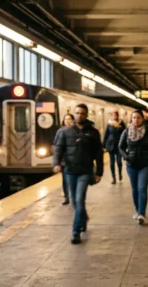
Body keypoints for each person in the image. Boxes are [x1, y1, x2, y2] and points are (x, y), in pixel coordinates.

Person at [53, 104, 103, 244]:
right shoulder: (66, 132)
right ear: (74, 114)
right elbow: (59, 148)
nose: (79, 115)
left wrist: (99, 172)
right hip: (69, 171)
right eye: (77, 113)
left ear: (86, 115)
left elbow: (98, 153)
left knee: (79, 199)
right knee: (75, 202)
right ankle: (83, 218)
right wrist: (56, 163)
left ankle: (76, 232)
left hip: (85, 171)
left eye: (82, 113)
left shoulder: (93, 132)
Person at [118, 110, 148, 225]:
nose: (136, 120)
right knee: (134, 189)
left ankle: (142, 213)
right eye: (134, 117)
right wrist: (126, 157)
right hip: (131, 165)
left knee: (142, 188)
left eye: (138, 117)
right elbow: (120, 147)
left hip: (145, 164)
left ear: (143, 119)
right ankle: (138, 210)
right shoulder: (126, 131)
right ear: (131, 119)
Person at [54, 114, 74, 205]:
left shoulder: (76, 131)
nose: (67, 121)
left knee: (73, 179)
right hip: (64, 160)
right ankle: (67, 197)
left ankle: (73, 196)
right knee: (65, 180)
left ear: (72, 120)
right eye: (66, 119)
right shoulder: (60, 131)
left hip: (74, 159)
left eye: (69, 119)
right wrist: (57, 162)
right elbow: (56, 145)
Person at [103, 110, 126, 184]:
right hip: (110, 145)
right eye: (112, 115)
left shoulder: (121, 123)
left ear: (117, 116)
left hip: (119, 145)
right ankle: (113, 178)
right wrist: (103, 145)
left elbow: (125, 132)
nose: (114, 117)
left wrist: (119, 127)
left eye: (115, 115)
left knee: (119, 161)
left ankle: (120, 173)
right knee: (112, 163)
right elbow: (106, 134)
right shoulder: (109, 124)